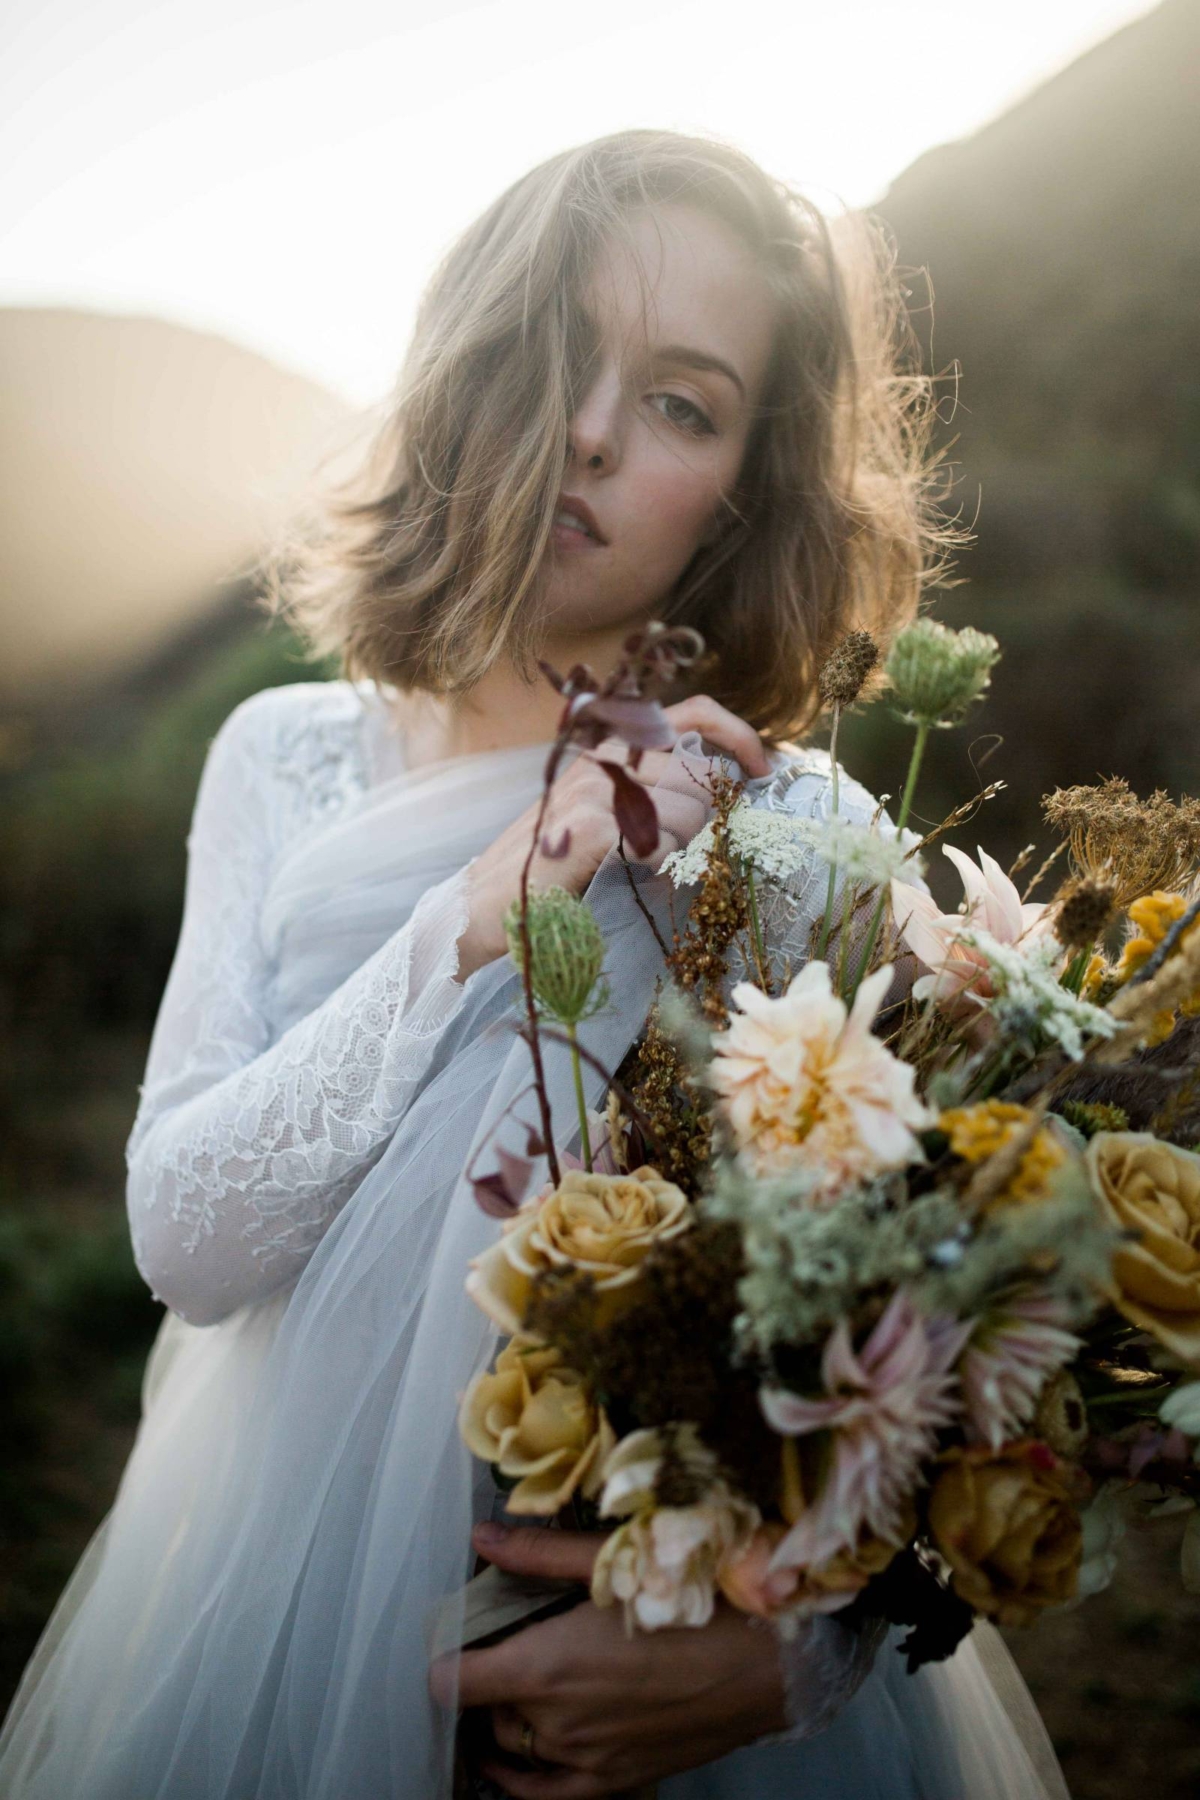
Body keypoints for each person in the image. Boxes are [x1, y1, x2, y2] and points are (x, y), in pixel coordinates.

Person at [0, 129, 1070, 1799]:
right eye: (562, 351)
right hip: (280, 1622)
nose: (587, 427)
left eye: (683, 403)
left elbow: (970, 1337)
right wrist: (491, 897)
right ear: (466, 356)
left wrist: (794, 1653)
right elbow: (187, 1237)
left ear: (744, 488)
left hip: (670, 1698)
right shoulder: (282, 759)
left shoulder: (787, 828)